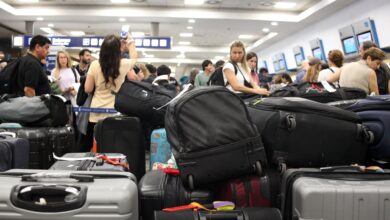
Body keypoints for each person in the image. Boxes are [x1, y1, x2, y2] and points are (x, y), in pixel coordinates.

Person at [81, 34, 137, 152]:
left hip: (96, 112)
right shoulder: (123, 64)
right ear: (118, 50)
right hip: (116, 111)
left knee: (97, 146)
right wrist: (131, 43)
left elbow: (88, 89)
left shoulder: (95, 64)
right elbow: (134, 59)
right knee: (114, 146)